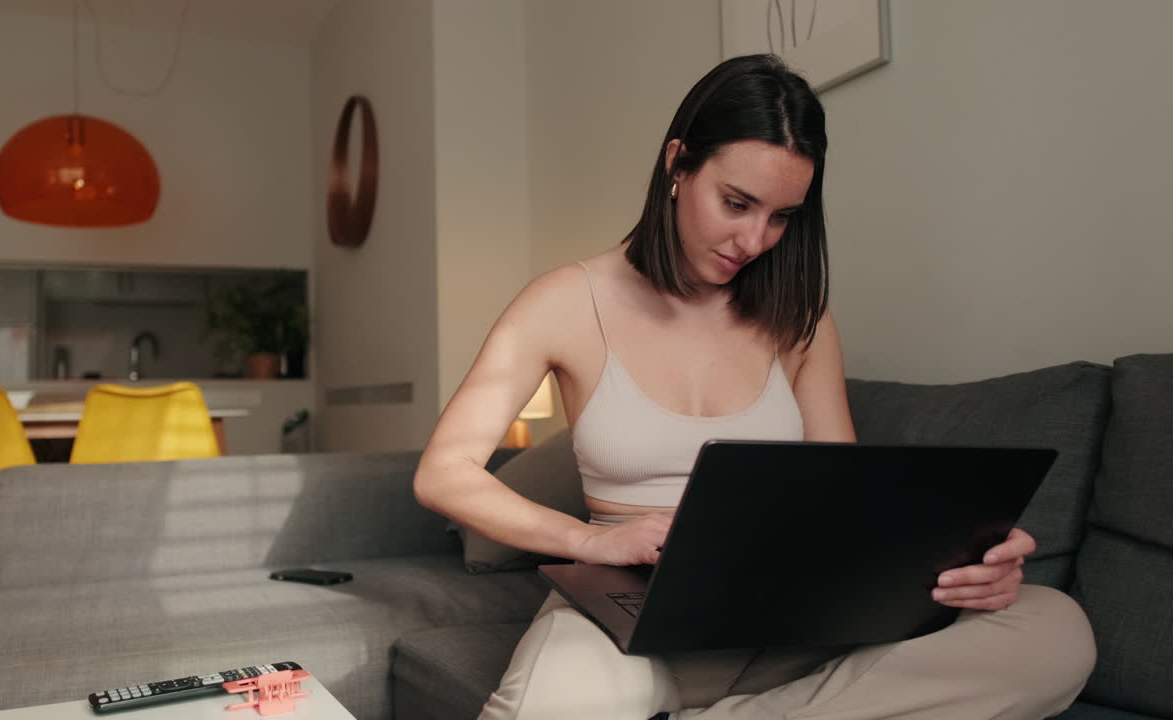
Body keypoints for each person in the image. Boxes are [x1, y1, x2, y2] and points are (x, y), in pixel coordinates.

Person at [414, 54, 1095, 720]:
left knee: (1051, 629)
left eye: (780, 217)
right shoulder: (563, 301)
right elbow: (444, 474)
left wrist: (970, 559)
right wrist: (589, 542)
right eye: (736, 203)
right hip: (628, 617)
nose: (753, 239)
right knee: (560, 703)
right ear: (678, 164)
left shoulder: (800, 319)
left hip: (793, 620)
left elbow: (846, 497)